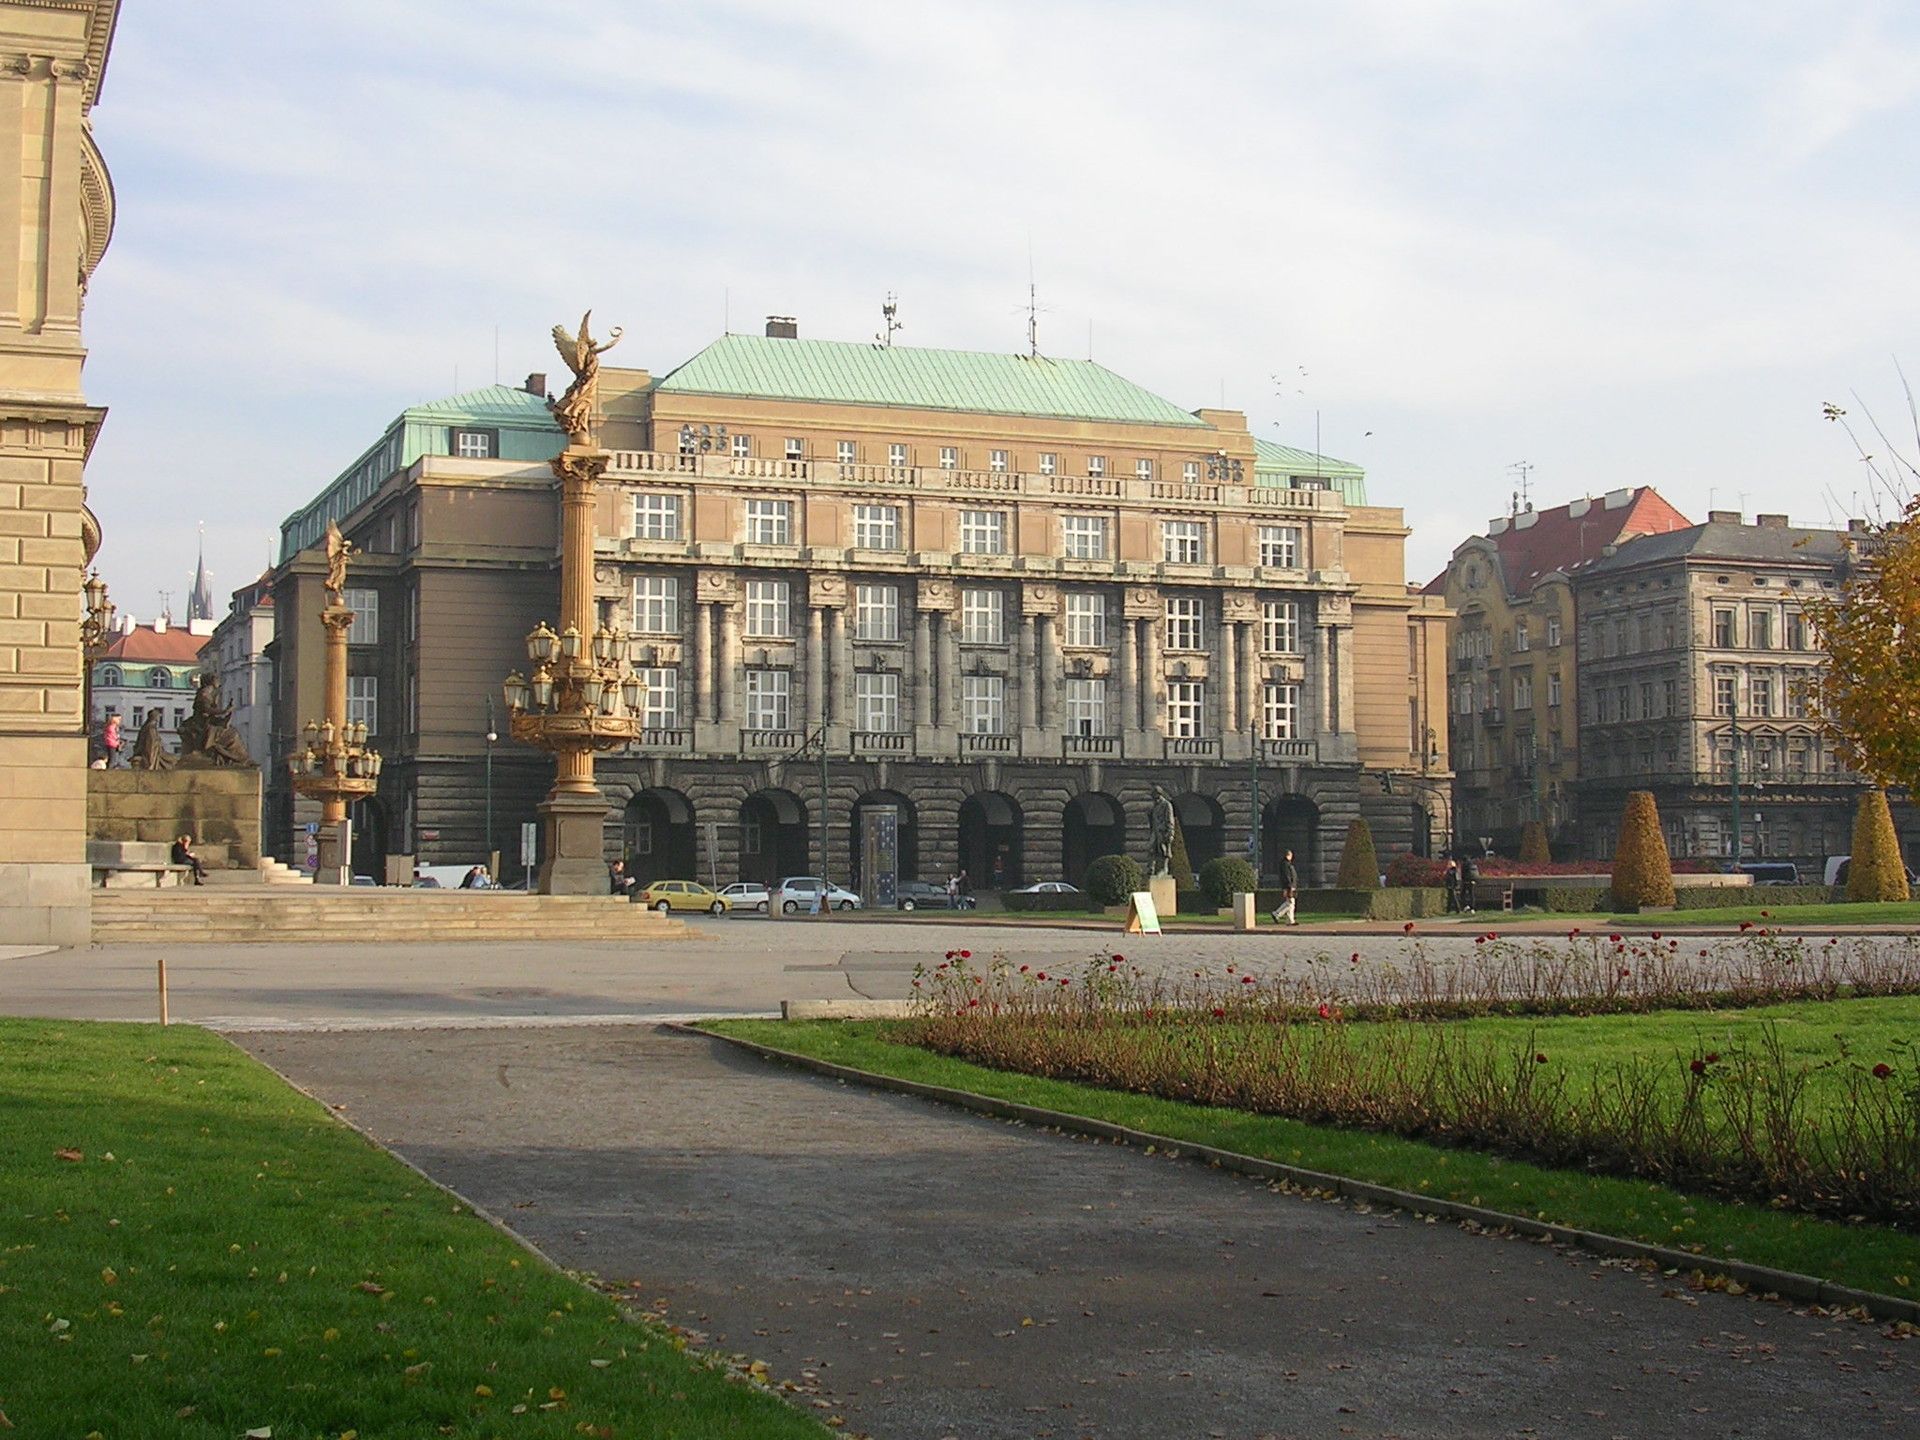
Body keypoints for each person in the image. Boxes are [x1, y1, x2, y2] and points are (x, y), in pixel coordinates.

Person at [1270, 848, 1299, 926]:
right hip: (1289, 886)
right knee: (1290, 903)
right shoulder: (1285, 864)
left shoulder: (1286, 864)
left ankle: (1290, 920)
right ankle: (1277, 913)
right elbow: (1287, 876)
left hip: (1290, 885)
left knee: (1290, 903)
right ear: (1288, 855)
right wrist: (1290, 886)